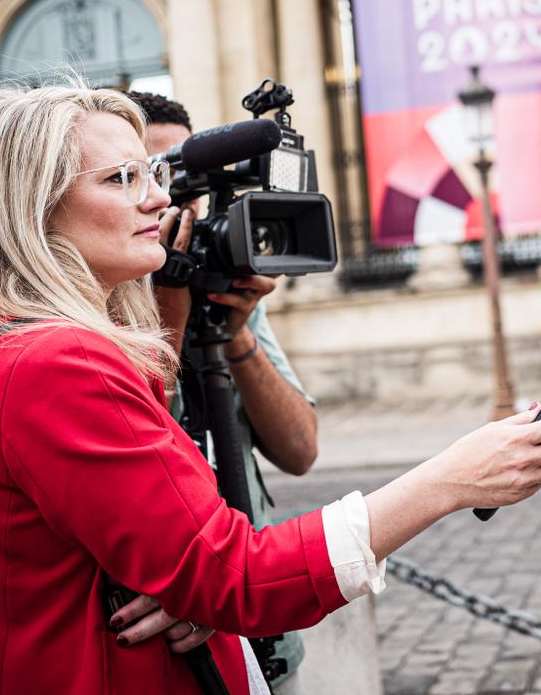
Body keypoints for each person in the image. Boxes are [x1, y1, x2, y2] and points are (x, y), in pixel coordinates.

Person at [0, 83, 541, 694]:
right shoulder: (55, 364)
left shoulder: (10, 343)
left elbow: (174, 533)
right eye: (122, 179)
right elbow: (239, 576)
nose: (156, 198)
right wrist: (447, 481)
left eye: (150, 174)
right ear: (36, 208)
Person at [128, 91, 315, 691]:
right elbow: (141, 441)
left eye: (189, 181)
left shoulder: (224, 287)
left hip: (266, 633)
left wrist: (235, 335)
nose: (170, 202)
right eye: (157, 176)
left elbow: (300, 451)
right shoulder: (95, 308)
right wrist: (168, 308)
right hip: (177, 642)